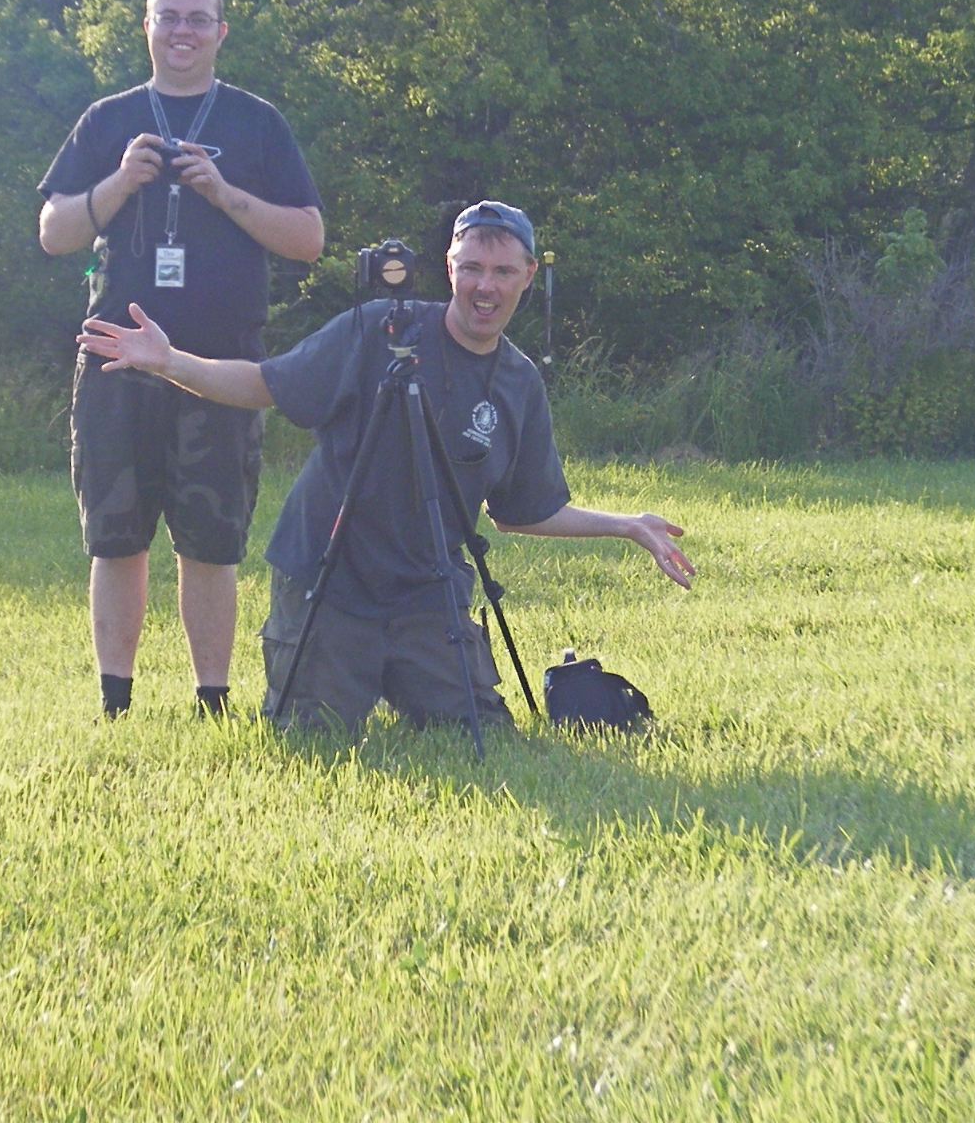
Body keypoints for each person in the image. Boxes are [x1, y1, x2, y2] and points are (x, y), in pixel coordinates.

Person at [81, 199, 694, 733]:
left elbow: (523, 511)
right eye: (472, 269)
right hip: (330, 580)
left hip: (427, 591)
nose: (485, 287)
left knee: (472, 732)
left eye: (503, 271)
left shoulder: (518, 382)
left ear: (528, 275)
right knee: (314, 735)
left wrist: (626, 525)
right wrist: (170, 362)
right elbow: (264, 384)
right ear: (450, 268)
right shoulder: (380, 328)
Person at [39, 0, 323, 717]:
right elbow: (54, 233)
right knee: (115, 537)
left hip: (221, 363)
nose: (183, 32)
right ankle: (116, 700)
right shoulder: (108, 120)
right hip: (116, 355)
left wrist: (222, 193)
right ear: (147, 27)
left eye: (198, 19)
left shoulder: (256, 124)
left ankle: (212, 699)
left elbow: (308, 239)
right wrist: (118, 185)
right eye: (169, 17)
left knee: (212, 539)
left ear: (221, 32)